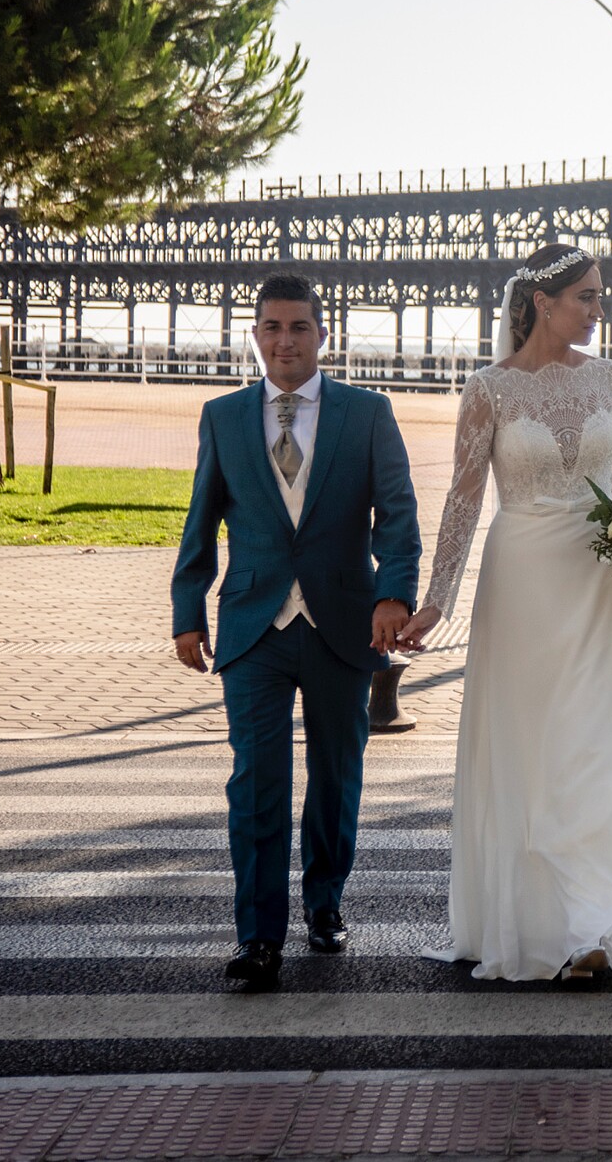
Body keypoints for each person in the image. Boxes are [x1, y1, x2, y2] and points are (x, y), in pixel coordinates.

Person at [396, 243, 612, 982]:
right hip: (523, 590)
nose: (598, 308)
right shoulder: (488, 389)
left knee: (603, 744)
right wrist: (436, 599)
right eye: (586, 296)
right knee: (535, 753)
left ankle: (595, 924)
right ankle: (546, 919)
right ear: (543, 302)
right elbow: (463, 497)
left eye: (600, 295)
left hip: (603, 584)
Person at [170, 273, 422, 993]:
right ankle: (257, 935)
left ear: (322, 332)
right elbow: (201, 522)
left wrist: (392, 596)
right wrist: (188, 611)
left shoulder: (367, 413)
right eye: (273, 327)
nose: (286, 340)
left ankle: (325, 901)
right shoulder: (222, 416)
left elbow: (398, 519)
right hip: (253, 625)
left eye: (300, 327)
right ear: (255, 335)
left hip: (345, 626)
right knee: (256, 781)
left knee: (337, 776)